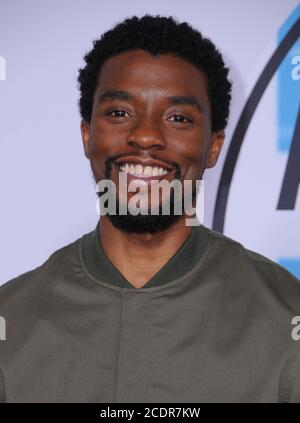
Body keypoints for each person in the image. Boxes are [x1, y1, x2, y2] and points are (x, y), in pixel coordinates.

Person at [0, 14, 299, 403]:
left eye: (178, 118)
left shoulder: (286, 316)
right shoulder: (12, 320)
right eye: (119, 113)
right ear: (87, 135)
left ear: (214, 146)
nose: (145, 135)